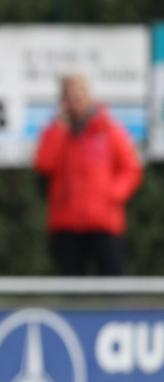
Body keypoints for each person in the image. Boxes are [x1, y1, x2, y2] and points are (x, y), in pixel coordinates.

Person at [34, 74, 142, 275]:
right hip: (65, 222)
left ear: (88, 96)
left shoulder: (109, 130)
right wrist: (60, 130)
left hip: (104, 222)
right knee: (72, 290)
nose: (75, 103)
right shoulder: (55, 131)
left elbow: (131, 169)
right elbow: (44, 165)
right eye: (69, 97)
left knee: (114, 283)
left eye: (79, 96)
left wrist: (112, 195)